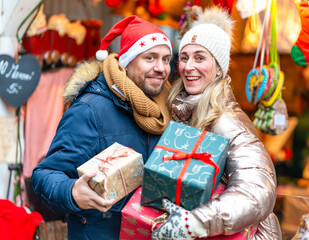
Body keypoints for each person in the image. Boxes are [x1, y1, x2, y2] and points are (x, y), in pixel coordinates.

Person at [31, 16, 173, 239]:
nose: (160, 68)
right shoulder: (90, 110)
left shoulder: (167, 111)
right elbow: (45, 174)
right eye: (150, 58)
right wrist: (71, 192)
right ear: (127, 61)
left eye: (166, 59)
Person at [152, 8, 282, 240]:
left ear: (219, 68)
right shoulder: (177, 107)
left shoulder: (226, 119)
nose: (188, 66)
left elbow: (258, 189)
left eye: (200, 57)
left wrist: (197, 222)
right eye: (184, 57)